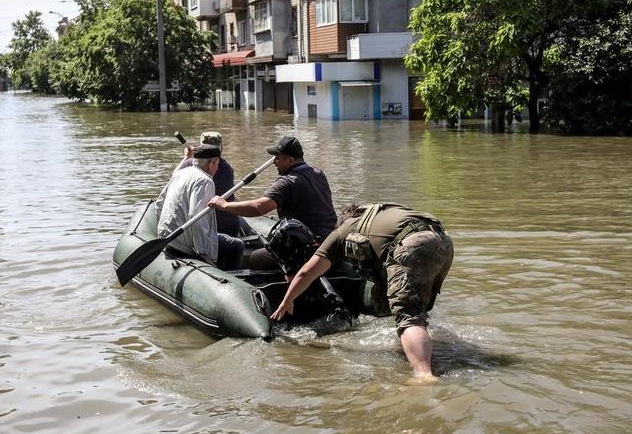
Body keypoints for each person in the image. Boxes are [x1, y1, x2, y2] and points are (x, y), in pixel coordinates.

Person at [270, 203, 454, 379]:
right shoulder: (382, 213)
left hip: (413, 244)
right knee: (415, 307)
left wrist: (287, 301)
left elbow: (306, 273)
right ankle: (419, 346)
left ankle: (423, 375)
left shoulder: (343, 230)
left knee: (408, 316)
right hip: (443, 240)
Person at [208, 135, 337, 269]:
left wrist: (223, 204)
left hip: (305, 245)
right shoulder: (318, 173)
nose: (274, 162)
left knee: (255, 258)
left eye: (278, 158)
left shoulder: (287, 182)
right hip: (328, 241)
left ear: (291, 160)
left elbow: (259, 207)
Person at [155, 144, 245, 271]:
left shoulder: (180, 173)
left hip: (169, 239)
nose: (218, 167)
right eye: (217, 164)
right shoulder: (205, 181)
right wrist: (204, 254)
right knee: (236, 245)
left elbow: (159, 204)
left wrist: (163, 235)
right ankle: (231, 279)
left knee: (223, 240)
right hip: (185, 245)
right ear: (211, 164)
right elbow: (196, 217)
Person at [175, 131, 240, 237]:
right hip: (225, 227)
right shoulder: (227, 168)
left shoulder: (190, 164)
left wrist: (187, 158)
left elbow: (174, 178)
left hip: (211, 228)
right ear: (221, 148)